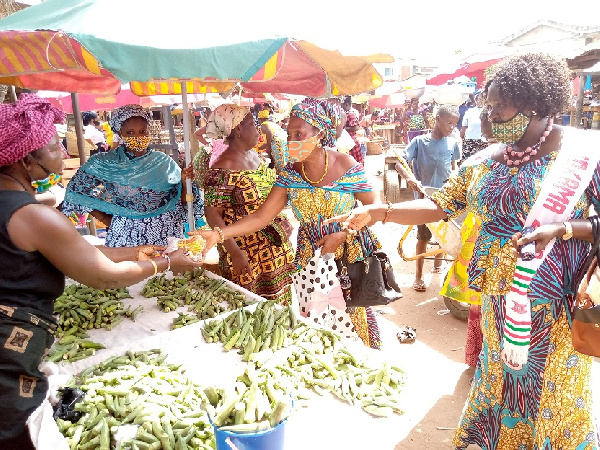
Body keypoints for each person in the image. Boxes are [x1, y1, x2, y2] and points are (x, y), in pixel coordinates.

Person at [326, 53, 600, 449]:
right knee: (502, 380)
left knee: (549, 395)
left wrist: (567, 227)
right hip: (496, 302)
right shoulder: (485, 160)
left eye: (500, 105)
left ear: (536, 105)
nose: (490, 114)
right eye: (488, 103)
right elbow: (441, 204)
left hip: (551, 309)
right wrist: (379, 211)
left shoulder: (582, 157)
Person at [0, 95, 202, 449]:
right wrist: (167, 263)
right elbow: (104, 276)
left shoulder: (15, 205)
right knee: (18, 431)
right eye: (54, 145)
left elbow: (73, 251)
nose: (64, 152)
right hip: (9, 353)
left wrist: (133, 251)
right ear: (27, 157)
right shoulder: (33, 216)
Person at [194, 99, 382, 349]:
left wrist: (346, 232)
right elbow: (261, 217)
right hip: (308, 258)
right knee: (316, 325)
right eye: (289, 133)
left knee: (352, 322)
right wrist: (220, 235)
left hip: (347, 256)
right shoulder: (291, 175)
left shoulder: (345, 166)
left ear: (320, 133)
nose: (291, 140)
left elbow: (375, 208)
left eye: (299, 134)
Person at [193, 104, 296, 303]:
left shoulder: (253, 155)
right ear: (238, 129)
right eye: (253, 123)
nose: (258, 128)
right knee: (253, 310)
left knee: (281, 310)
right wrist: (235, 252)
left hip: (273, 250)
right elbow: (212, 214)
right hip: (247, 254)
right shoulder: (222, 168)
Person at [62, 104, 204, 247]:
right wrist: (105, 218)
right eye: (130, 132)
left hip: (166, 234)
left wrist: (186, 184)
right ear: (119, 132)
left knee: (167, 269)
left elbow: (183, 201)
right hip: (126, 238)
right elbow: (76, 192)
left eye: (143, 131)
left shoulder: (164, 161)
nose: (138, 137)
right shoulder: (105, 162)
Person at [402, 104, 461, 292]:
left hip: (445, 197)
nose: (451, 127)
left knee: (445, 234)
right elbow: (399, 163)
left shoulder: (452, 143)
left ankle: (438, 265)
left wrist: (456, 181)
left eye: (454, 124)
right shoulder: (420, 142)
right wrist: (410, 178)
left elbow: (454, 169)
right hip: (424, 197)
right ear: (437, 119)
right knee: (423, 237)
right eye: (449, 123)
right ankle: (418, 276)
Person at [460, 93, 488, 161]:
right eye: (477, 99)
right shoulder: (469, 111)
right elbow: (464, 127)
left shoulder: (488, 112)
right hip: (470, 141)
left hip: (483, 142)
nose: (479, 101)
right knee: (467, 162)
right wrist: (462, 139)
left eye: (481, 99)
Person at [341, 96, 364, 165]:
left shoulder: (350, 114)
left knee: (353, 162)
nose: (341, 107)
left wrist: (342, 129)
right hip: (349, 141)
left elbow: (356, 127)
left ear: (346, 104)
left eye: (342, 105)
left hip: (351, 141)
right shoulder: (347, 113)